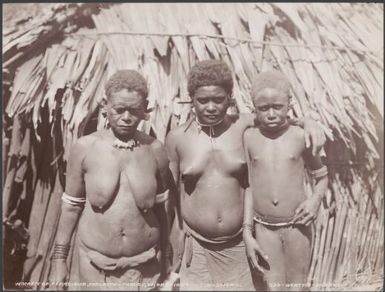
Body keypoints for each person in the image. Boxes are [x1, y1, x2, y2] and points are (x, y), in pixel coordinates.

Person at [165, 60, 325, 291]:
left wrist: (308, 122)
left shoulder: (243, 126)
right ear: (192, 100)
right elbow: (171, 197)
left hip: (239, 244)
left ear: (230, 98)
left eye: (218, 100)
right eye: (203, 100)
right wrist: (173, 243)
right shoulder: (177, 138)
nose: (210, 107)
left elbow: (279, 118)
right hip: (196, 246)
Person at [48, 70, 173, 291]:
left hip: (146, 268)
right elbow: (71, 209)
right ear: (105, 105)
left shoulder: (155, 150)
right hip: (95, 268)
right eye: (119, 109)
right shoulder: (85, 148)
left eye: (134, 110)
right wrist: (59, 261)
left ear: (145, 110)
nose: (126, 117)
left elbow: (163, 211)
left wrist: (167, 258)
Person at [242, 71, 329, 291]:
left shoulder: (300, 136)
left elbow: (322, 177)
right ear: (254, 107)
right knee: (273, 287)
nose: (271, 114)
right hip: (264, 228)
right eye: (263, 108)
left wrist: (315, 200)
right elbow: (248, 185)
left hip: (296, 226)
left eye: (277, 107)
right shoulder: (248, 137)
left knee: (298, 287)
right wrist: (248, 228)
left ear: (289, 105)